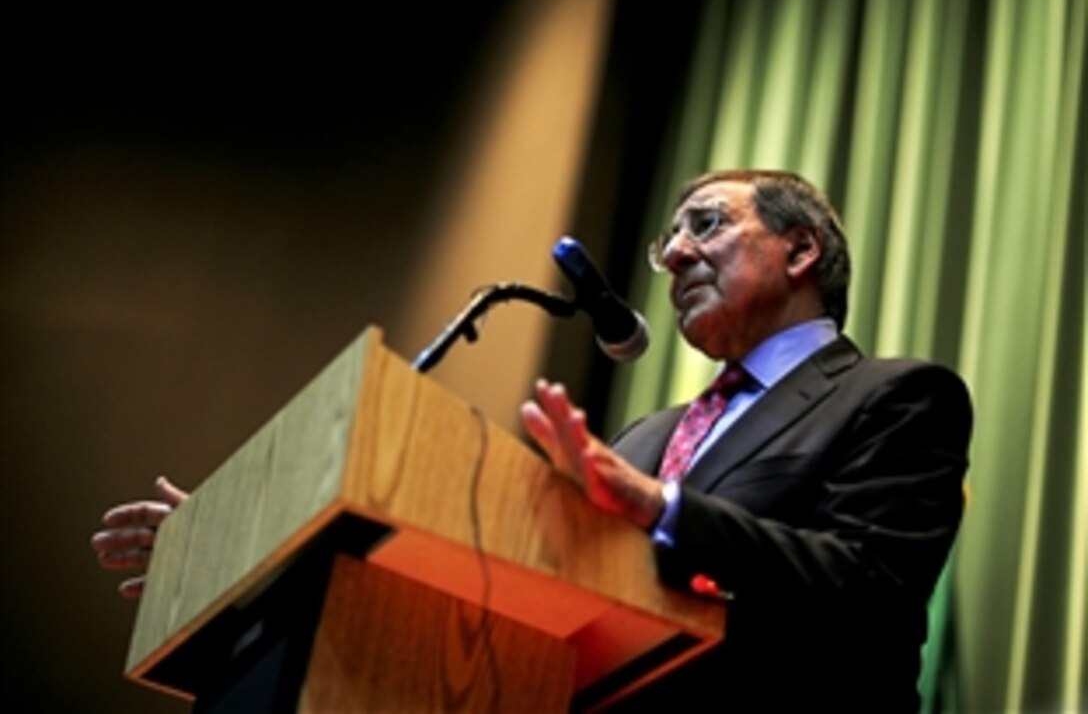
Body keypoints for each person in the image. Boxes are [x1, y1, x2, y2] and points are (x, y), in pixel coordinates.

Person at [93, 169, 972, 711]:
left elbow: (872, 590)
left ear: (801, 248)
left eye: (704, 223)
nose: (669, 257)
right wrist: (261, 536)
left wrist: (662, 506)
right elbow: (514, 576)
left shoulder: (897, 397)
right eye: (668, 237)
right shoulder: (649, 432)